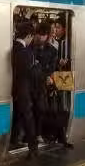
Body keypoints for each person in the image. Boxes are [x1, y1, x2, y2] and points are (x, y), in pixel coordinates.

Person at [10, 21, 38, 158]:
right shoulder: (26, 52)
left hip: (13, 90)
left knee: (17, 115)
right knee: (28, 117)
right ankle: (33, 147)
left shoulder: (12, 47)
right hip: (23, 90)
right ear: (29, 36)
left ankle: (14, 139)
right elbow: (29, 73)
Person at [31, 22, 55, 142]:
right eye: (39, 34)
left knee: (41, 109)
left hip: (42, 85)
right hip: (31, 83)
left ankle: (39, 133)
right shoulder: (30, 47)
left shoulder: (52, 50)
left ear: (48, 36)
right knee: (30, 110)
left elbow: (52, 67)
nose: (41, 37)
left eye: (44, 35)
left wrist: (46, 75)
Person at [53, 19, 73, 149]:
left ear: (64, 29)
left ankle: (62, 134)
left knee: (63, 106)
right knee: (58, 106)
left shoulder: (66, 43)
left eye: (58, 27)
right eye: (55, 27)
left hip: (64, 75)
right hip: (56, 75)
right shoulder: (55, 42)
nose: (56, 30)